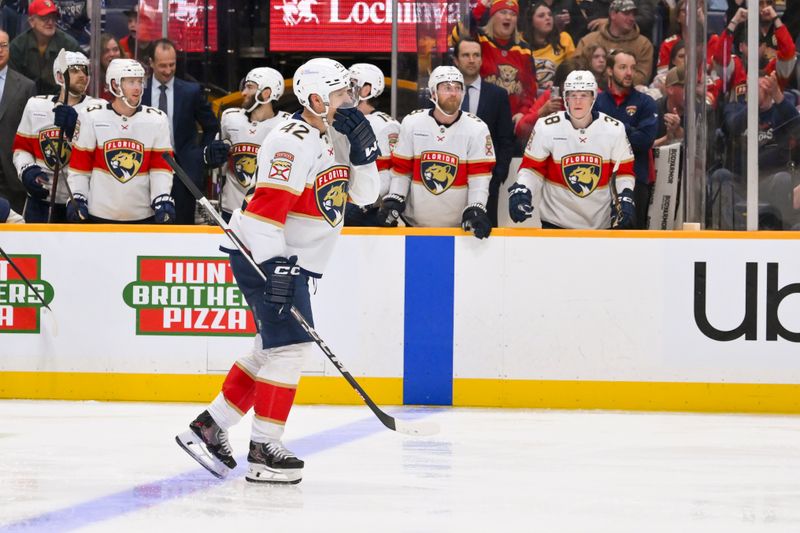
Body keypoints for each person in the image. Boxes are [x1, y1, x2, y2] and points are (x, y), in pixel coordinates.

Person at [175, 58, 380, 484]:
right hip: (263, 253)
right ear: (318, 98)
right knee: (290, 350)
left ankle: (209, 428)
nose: (350, 101)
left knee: (271, 349)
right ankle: (264, 448)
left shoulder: (335, 134)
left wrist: (363, 154)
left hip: (291, 260)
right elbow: (268, 210)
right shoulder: (291, 140)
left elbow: (364, 195)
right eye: (343, 94)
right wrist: (277, 267)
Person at [376, 66, 495, 238]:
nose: (453, 93)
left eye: (457, 88)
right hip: (414, 224)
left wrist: (476, 206)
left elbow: (480, 178)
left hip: (459, 228)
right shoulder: (412, 123)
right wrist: (395, 197)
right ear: (433, 93)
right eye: (447, 88)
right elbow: (402, 170)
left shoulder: (477, 128)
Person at [507, 70, 636, 229]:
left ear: (593, 97)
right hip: (555, 222)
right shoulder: (546, 127)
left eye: (584, 95)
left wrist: (624, 196)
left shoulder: (614, 129)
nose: (578, 101)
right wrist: (523, 189)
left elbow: (623, 172)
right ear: (565, 97)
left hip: (600, 224)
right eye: (572, 95)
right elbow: (532, 169)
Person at [66, 58, 175, 223]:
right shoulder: (91, 116)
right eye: (131, 82)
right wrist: (77, 197)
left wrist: (162, 197)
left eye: (140, 81)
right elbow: (80, 168)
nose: (138, 87)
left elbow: (161, 169)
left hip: (143, 215)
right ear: (115, 84)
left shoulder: (157, 119)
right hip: (99, 215)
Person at [12, 49, 103, 222]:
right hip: (39, 202)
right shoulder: (35, 106)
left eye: (85, 70)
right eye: (75, 70)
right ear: (60, 76)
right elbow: (21, 148)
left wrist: (75, 132)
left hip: (79, 203)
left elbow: (99, 159)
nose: (82, 75)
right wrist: (26, 171)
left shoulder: (98, 110)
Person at [141, 38, 220, 224]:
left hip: (184, 175)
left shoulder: (191, 91)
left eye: (172, 64)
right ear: (151, 63)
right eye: (162, 65)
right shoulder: (139, 91)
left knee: (182, 227)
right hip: (145, 171)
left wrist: (200, 155)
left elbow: (211, 125)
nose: (168, 71)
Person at [708, 72, 800, 230]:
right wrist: (753, 106)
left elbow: (797, 128)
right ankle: (735, 233)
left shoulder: (781, 110)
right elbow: (733, 127)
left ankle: (780, 232)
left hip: (770, 179)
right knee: (719, 176)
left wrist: (778, 96)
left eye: (760, 86)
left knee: (783, 179)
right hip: (741, 180)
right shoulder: (735, 108)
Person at [452, 37, 514, 226]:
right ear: (456, 60)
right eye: (466, 55)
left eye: (476, 55)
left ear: (481, 59)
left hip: (486, 181)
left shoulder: (498, 95)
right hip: (450, 178)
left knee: (483, 236)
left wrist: (497, 176)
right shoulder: (445, 93)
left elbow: (505, 139)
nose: (471, 59)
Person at [594, 50, 658, 228]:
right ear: (609, 70)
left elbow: (644, 140)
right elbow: (592, 140)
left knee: (633, 239)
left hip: (636, 178)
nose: (629, 73)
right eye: (623, 67)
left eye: (632, 68)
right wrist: (630, 130)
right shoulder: (596, 102)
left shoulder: (646, 102)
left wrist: (612, 127)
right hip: (600, 179)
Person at [217, 67, 290, 221]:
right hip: (230, 208)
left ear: (266, 93)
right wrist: (210, 156)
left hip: (265, 212)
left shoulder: (286, 125)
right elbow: (219, 165)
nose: (243, 93)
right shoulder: (230, 118)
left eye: (250, 87)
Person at [459, 0, 538, 135]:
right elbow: (461, 30)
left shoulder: (524, 50)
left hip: (511, 124)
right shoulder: (480, 39)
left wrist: (523, 112)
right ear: (492, 16)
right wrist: (481, 6)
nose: (508, 17)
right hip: (479, 118)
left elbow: (530, 89)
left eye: (513, 14)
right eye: (503, 12)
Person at [343, 62, 401, 226]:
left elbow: (390, 173)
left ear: (366, 89)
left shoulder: (385, 125)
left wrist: (365, 203)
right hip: (342, 200)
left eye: (351, 84)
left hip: (367, 212)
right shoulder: (342, 119)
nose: (345, 90)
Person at [574, 0, 655, 87]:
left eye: (633, 14)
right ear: (613, 15)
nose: (632, 18)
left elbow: (641, 78)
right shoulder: (588, 40)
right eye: (626, 13)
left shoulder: (643, 44)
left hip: (628, 95)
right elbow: (575, 68)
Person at [8, 0, 81, 94]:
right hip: (26, 101)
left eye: (53, 17)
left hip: (60, 100)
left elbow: (76, 82)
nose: (50, 22)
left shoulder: (69, 45)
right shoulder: (17, 46)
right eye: (44, 18)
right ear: (31, 22)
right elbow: (14, 84)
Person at [0, 29, 36, 214]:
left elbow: (31, 132)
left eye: (4, 45)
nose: (0, 50)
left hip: (12, 174)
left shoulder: (26, 86)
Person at [524, 1, 576, 90]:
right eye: (541, 16)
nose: (547, 18)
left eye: (550, 15)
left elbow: (573, 69)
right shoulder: (521, 42)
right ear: (531, 21)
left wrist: (556, 82)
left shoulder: (564, 39)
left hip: (555, 91)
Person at [654, 65, 685, 148]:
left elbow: (705, 150)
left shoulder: (703, 111)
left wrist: (680, 133)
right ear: (670, 90)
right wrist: (667, 138)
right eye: (685, 87)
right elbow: (643, 148)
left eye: (693, 87)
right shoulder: (654, 109)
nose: (691, 92)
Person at [99, 33, 123, 101]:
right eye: (106, 51)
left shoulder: (129, 74)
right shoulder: (93, 80)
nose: (112, 54)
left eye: (115, 49)